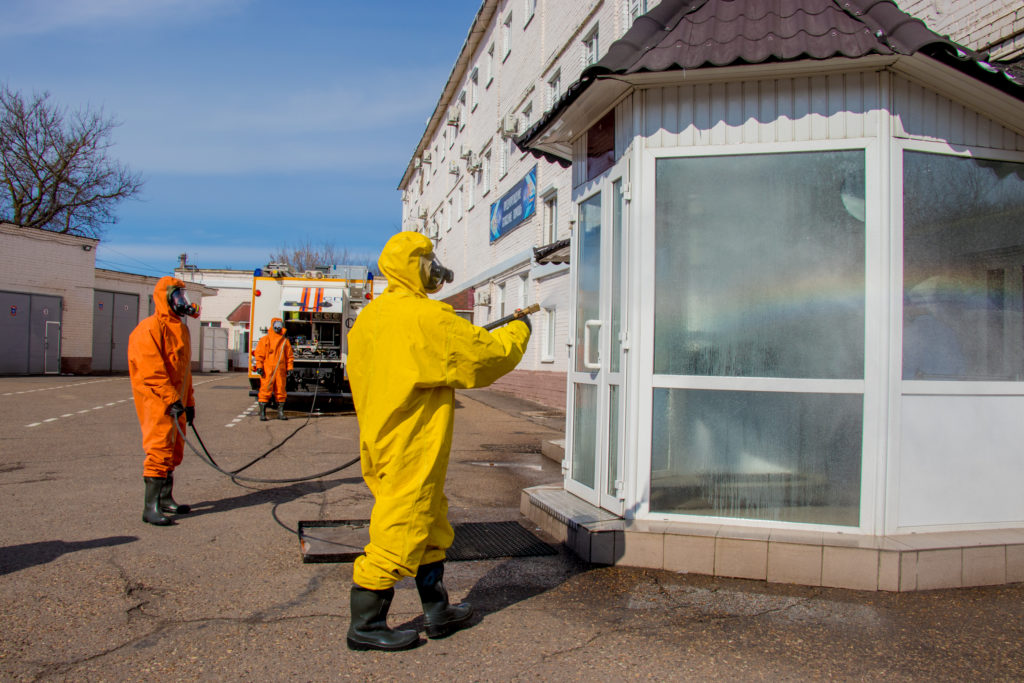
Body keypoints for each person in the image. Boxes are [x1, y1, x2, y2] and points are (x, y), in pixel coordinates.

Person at [345, 232, 531, 651]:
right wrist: (519, 330)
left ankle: (438, 610)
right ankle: (366, 624)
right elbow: (485, 357)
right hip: (413, 439)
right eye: (430, 260)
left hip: (380, 435)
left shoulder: (371, 318)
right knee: (401, 523)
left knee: (429, 520)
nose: (437, 269)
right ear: (417, 267)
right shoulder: (426, 318)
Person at [127, 276, 200, 526]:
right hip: (158, 402)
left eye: (183, 296)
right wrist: (171, 399)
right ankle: (150, 508)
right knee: (159, 448)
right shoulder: (149, 329)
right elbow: (152, 372)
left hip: (177, 402)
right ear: (165, 298)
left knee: (174, 449)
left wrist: (189, 402)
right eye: (177, 296)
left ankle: (166, 499)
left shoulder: (182, 329)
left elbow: (185, 372)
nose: (182, 301)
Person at [252, 316, 294, 421]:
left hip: (280, 370)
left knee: (281, 390)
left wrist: (289, 368)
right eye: (276, 326)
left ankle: (280, 412)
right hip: (267, 370)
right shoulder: (265, 340)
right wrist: (259, 367)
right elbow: (259, 355)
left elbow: (289, 357)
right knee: (265, 390)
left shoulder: (285, 342)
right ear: (272, 326)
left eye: (279, 326)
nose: (277, 328)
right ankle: (262, 413)